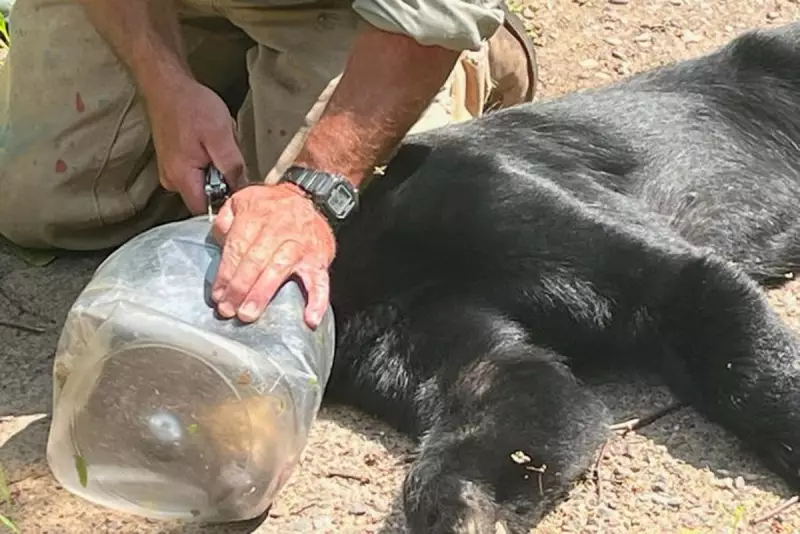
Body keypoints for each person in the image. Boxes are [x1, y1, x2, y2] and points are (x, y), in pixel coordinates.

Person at [0, 0, 537, 327]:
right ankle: (237, 81)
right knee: (36, 206)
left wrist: (312, 193)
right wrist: (164, 85)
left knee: (349, 255)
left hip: (352, 13)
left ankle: (470, 55)